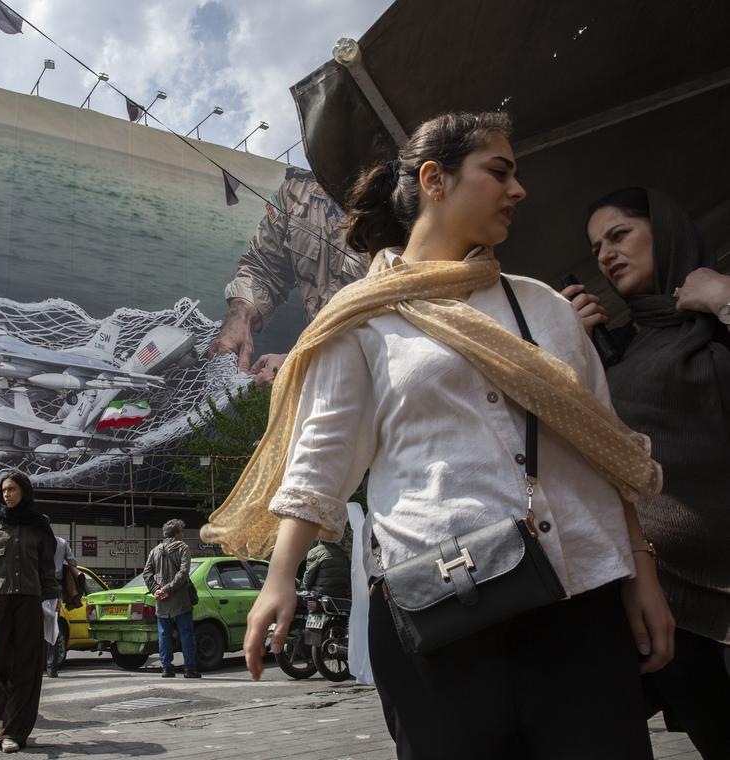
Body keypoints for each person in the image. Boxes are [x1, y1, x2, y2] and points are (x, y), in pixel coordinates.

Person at [203, 112, 674, 760]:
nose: (519, 191)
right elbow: (322, 458)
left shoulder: (546, 308)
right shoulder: (362, 316)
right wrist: (280, 579)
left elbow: (603, 449)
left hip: (578, 601)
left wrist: (641, 571)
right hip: (443, 607)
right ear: (435, 179)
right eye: (499, 171)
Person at [562, 186, 730, 758]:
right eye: (596, 247)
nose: (606, 254)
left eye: (620, 235)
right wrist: (571, 351)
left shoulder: (715, 314)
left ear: (664, 227)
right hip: (665, 599)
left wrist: (723, 297)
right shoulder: (625, 348)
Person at [210, 167, 370, 384]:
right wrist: (240, 315)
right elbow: (264, 265)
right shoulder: (298, 188)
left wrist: (300, 365)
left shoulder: (413, 196)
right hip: (321, 379)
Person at [0, 471, 59, 754]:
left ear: (24, 491)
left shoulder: (39, 524)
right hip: (0, 598)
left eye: (13, 489)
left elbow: (46, 565)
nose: (7, 494)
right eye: (4, 490)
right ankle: (3, 711)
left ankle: (14, 732)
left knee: (27, 667)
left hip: (30, 599)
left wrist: (53, 599)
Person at [143, 519, 200, 678]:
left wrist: (157, 589)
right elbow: (183, 573)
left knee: (164, 634)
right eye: (181, 532)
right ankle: (189, 669)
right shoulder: (183, 548)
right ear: (177, 534)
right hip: (180, 599)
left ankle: (166, 668)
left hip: (162, 601)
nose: (182, 535)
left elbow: (146, 574)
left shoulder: (155, 551)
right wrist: (168, 589)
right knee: (186, 633)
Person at [44, 535, 78, 678]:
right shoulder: (62, 542)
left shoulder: (35, 539)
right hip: (54, 587)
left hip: (35, 586)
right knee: (52, 629)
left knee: (32, 627)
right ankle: (52, 668)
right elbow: (72, 561)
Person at [302, 525, 352, 600]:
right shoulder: (343, 554)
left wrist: (304, 587)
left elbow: (307, 580)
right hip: (340, 598)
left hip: (320, 597)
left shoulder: (315, 552)